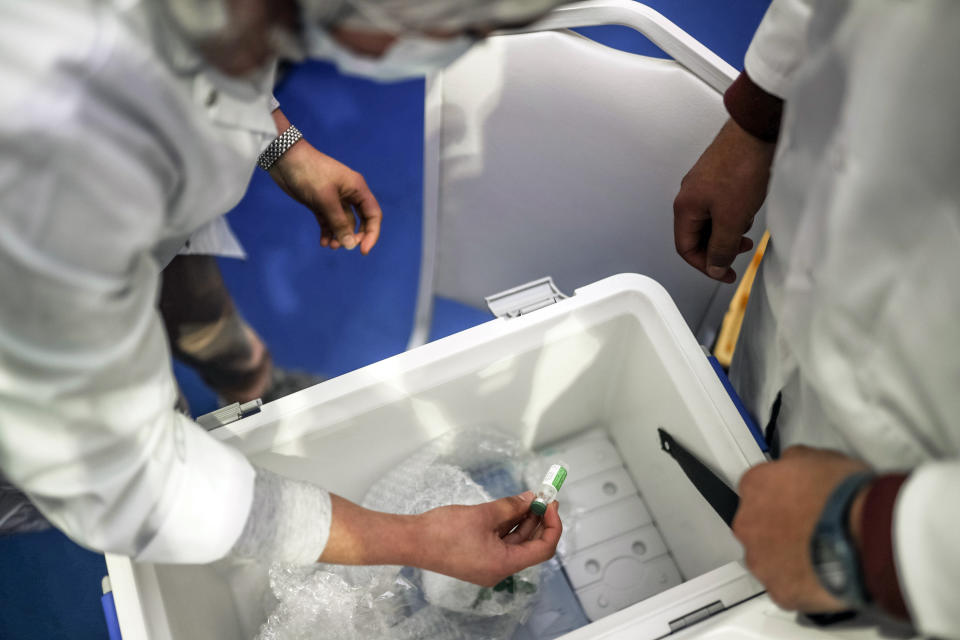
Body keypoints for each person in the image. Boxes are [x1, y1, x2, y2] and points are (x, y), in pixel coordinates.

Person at [0, 0, 571, 584]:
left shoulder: (213, 26)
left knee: (197, 311)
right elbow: (129, 482)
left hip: (113, 234)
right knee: (51, 475)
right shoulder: (56, 165)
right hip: (32, 348)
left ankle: (249, 387)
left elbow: (223, 47)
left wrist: (282, 146)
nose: (470, 47)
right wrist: (415, 539)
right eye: (467, 29)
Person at [673, 1, 960, 636]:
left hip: (908, 499)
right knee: (751, 418)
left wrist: (880, 536)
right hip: (810, 295)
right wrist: (757, 115)